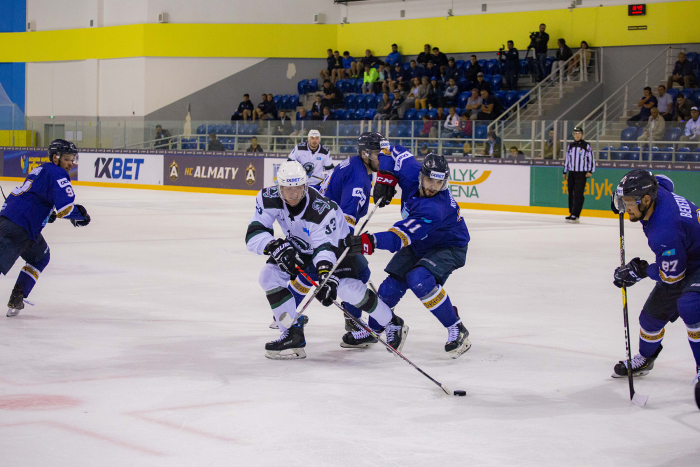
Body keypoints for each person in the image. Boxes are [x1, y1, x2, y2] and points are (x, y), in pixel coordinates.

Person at [245, 160, 405, 359]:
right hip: (301, 246)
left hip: (338, 246)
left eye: (297, 188)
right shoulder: (268, 198)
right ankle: (292, 333)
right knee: (268, 275)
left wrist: (325, 277)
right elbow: (254, 233)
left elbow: (325, 247)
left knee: (347, 289)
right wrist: (274, 246)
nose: (293, 194)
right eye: (287, 189)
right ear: (279, 188)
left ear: (305, 186)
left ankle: (392, 322)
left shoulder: (321, 209)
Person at [344, 152, 472, 358]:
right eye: (430, 180)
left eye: (439, 183)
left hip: (448, 247)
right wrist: (387, 176)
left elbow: (398, 238)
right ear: (421, 176)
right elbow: (391, 151)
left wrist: (367, 241)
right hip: (420, 243)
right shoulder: (412, 172)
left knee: (418, 279)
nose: (432, 187)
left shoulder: (436, 208)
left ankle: (457, 328)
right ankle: (374, 330)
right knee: (389, 288)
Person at [313, 132, 406, 348]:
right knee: (357, 273)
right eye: (378, 154)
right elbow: (345, 224)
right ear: (365, 153)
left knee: (358, 273)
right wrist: (347, 245)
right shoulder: (359, 178)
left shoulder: (356, 164)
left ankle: (353, 321)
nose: (383, 159)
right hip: (327, 235)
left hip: (320, 226)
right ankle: (356, 322)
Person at [610, 170, 700, 394]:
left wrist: (639, 271)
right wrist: (622, 200)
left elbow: (672, 275)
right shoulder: (657, 188)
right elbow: (663, 179)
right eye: (623, 201)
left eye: (629, 203)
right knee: (649, 320)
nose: (625, 207)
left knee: (690, 306)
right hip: (684, 254)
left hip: (694, 261)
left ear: (647, 200)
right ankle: (646, 358)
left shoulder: (664, 230)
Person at [0, 139, 90, 317]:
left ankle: (17, 298)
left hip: (19, 224)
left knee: (40, 257)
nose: (71, 163)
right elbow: (65, 209)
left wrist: (46, 214)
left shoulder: (40, 170)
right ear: (56, 158)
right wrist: (81, 215)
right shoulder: (57, 172)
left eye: (72, 159)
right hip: (19, 227)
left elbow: (32, 196)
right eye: (67, 159)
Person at [562, 126, 595, 223]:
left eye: (579, 133)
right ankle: (571, 212)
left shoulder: (586, 145)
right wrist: (565, 171)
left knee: (578, 193)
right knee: (571, 193)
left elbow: (591, 159)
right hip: (571, 172)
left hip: (581, 173)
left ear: (582, 134)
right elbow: (567, 159)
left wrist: (590, 171)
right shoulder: (570, 146)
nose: (577, 135)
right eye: (575, 133)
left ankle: (576, 213)